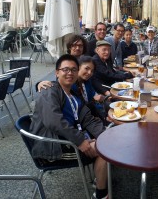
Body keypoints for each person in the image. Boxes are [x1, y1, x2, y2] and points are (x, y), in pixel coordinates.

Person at [30, 54, 108, 199]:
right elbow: (54, 121)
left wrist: (104, 134)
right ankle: (101, 194)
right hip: (53, 147)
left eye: (73, 70)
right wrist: (80, 141)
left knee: (106, 142)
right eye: (65, 69)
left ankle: (101, 178)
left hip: (69, 139)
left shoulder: (73, 94)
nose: (70, 73)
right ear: (57, 72)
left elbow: (88, 119)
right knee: (105, 150)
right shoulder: (49, 91)